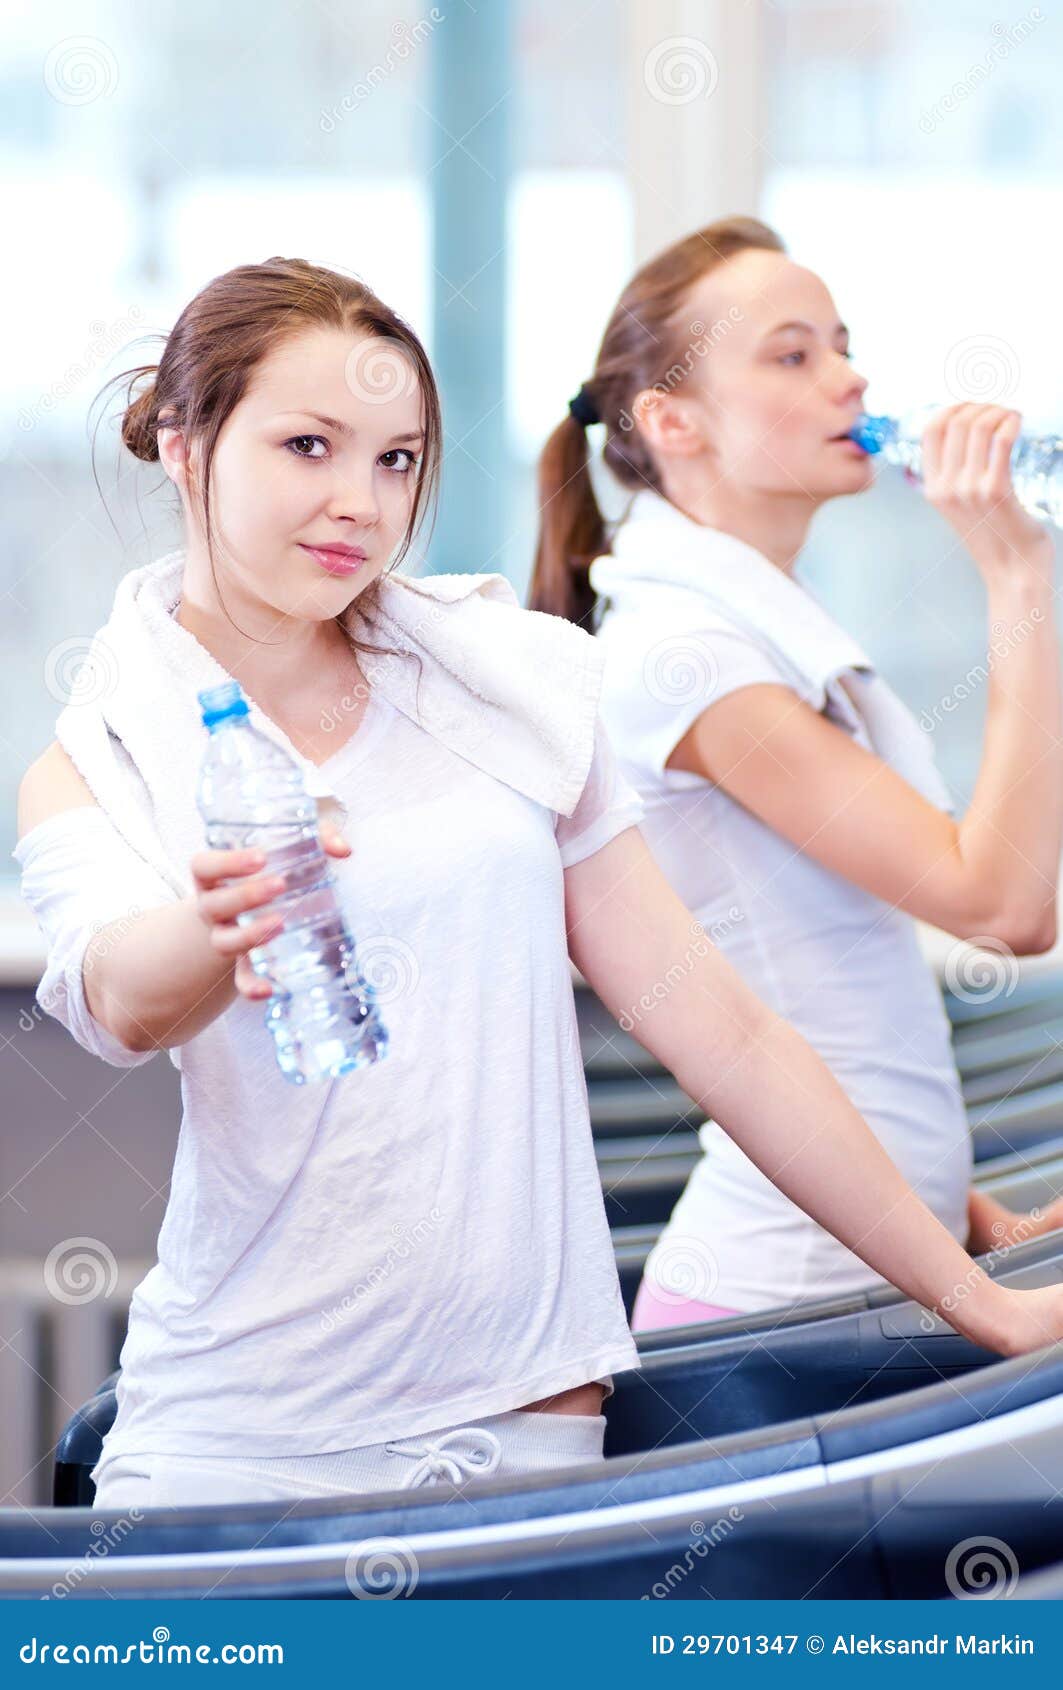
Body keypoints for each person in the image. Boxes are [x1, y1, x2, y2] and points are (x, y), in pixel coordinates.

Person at [15, 257, 1063, 1515]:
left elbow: (725, 1032)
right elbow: (117, 995)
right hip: (236, 1437)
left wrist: (978, 1304)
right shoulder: (105, 755)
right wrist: (214, 922)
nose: (359, 499)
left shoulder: (507, 688)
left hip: (524, 1437)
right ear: (186, 448)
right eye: (308, 445)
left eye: (397, 459)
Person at [530, 215, 1063, 1332]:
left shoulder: (744, 621)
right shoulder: (690, 662)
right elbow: (1003, 905)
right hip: (776, 1307)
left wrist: (960, 1205)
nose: (850, 377)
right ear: (670, 419)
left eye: (842, 344)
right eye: (792, 354)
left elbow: (816, 980)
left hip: (854, 1274)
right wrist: (1015, 575)